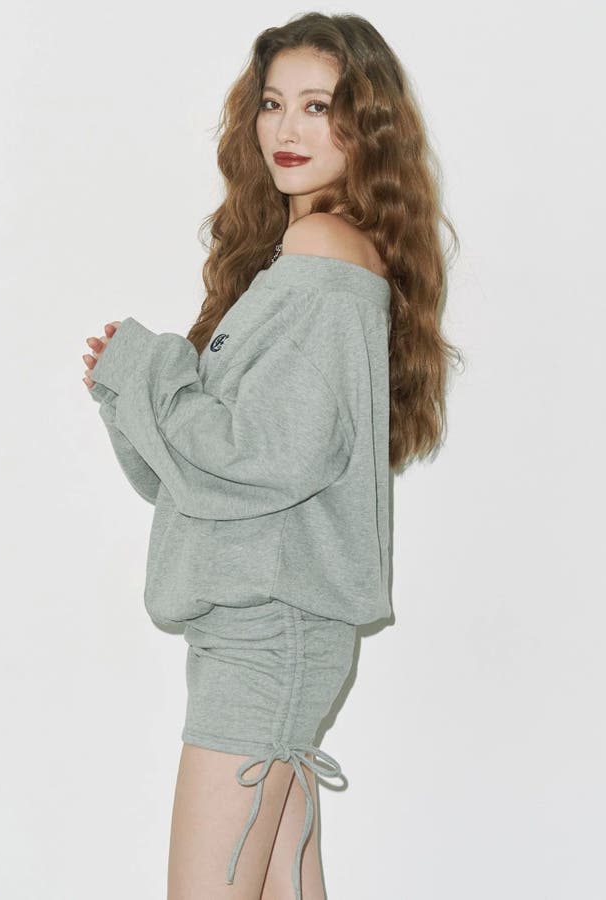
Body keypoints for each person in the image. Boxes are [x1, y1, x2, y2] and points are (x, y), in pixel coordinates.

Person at [81, 12, 460, 899]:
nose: (287, 129)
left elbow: (263, 456)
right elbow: (191, 478)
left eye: (318, 106)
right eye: (273, 103)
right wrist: (128, 388)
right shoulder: (305, 259)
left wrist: (149, 366)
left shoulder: (322, 250)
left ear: (365, 126)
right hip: (269, 625)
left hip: (268, 631)